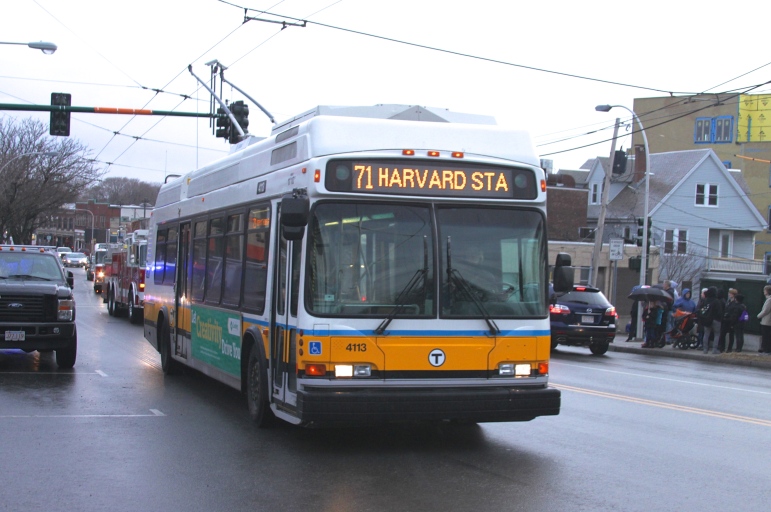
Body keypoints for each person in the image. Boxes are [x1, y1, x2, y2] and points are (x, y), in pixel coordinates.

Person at [698, 286, 720, 354]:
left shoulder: (706, 300)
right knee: (717, 334)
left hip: (707, 319)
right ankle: (714, 349)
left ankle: (705, 349)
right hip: (716, 320)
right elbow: (719, 311)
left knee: (706, 334)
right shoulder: (717, 301)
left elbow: (702, 310)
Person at [718, 288, 739, 353]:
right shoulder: (728, 302)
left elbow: (734, 312)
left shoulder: (734, 303)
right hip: (726, 320)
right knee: (723, 334)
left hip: (730, 320)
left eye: (730, 293)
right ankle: (722, 347)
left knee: (731, 335)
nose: (729, 294)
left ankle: (729, 348)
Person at [757, 285, 771, 354]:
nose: (763, 292)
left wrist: (758, 316)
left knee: (766, 336)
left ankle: (766, 349)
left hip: (767, 321)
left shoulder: (769, 300)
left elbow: (765, 311)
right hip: (767, 321)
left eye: (764, 290)